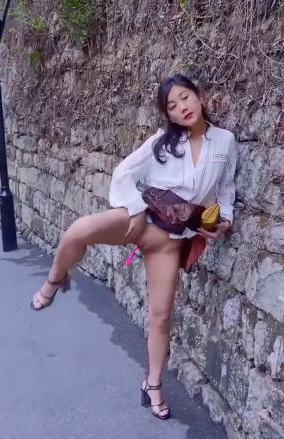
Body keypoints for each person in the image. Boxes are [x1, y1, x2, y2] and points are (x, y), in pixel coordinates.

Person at [30, 74, 238, 420]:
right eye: (172, 105)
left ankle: (153, 385)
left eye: (185, 97)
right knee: (79, 230)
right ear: (168, 115)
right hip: (142, 221)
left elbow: (226, 190)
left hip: (170, 243)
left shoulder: (225, 142)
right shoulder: (162, 143)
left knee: (160, 316)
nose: (182, 107)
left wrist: (224, 221)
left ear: (199, 97)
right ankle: (54, 281)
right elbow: (123, 172)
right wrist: (137, 210)